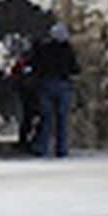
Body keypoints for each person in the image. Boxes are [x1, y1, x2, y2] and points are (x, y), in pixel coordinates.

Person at [32, 22, 79, 159]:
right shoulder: (67, 50)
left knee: (46, 118)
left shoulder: (44, 48)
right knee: (62, 119)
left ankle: (42, 148)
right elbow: (75, 68)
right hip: (63, 85)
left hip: (45, 85)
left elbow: (35, 65)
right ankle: (61, 150)